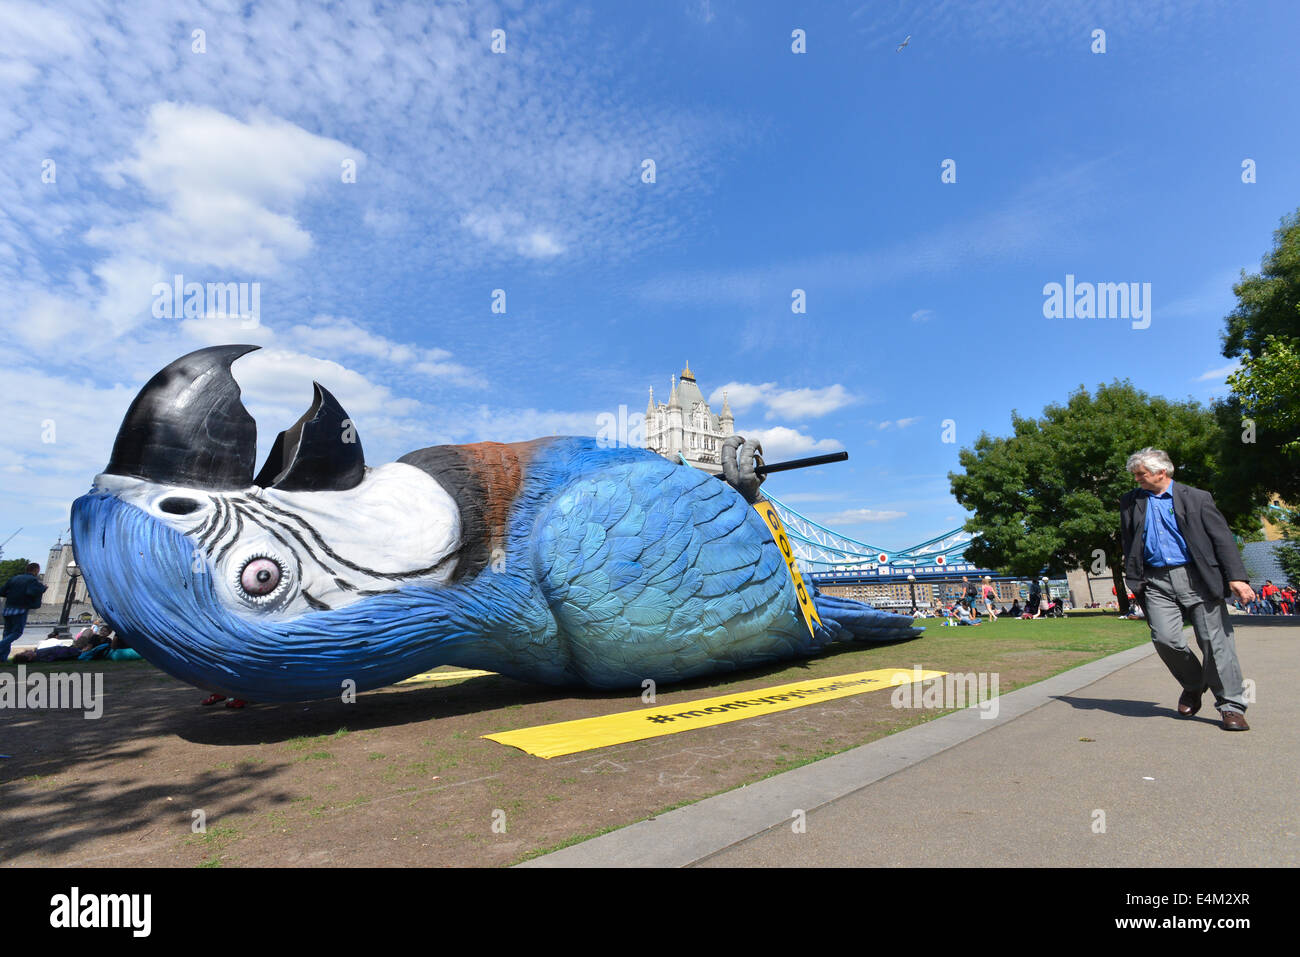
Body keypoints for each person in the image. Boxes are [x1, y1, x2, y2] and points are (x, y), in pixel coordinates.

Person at [1119, 448, 1255, 731]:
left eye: (1141, 475)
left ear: (1161, 472)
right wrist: (1134, 577)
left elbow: (1222, 539)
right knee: (1165, 638)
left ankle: (1231, 707)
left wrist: (1237, 577)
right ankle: (1194, 684)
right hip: (1155, 581)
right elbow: (1129, 541)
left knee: (1215, 644)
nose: (1137, 480)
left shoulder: (1197, 498)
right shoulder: (1130, 502)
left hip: (1198, 578)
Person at [1, 563, 47, 662]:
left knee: (7, 634)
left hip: (8, 609)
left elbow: (2, 591)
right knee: (16, 633)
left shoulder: (14, 578)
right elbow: (31, 592)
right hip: (20, 609)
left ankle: (2, 658)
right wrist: (43, 588)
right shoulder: (32, 580)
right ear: (36, 570)